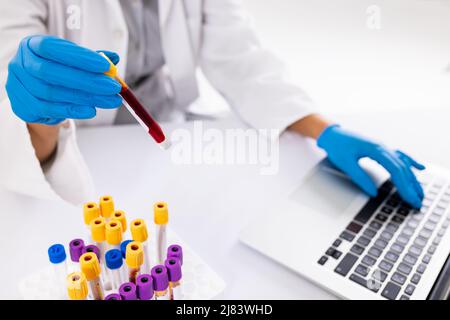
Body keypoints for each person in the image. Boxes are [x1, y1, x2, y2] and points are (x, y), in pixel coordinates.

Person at [0, 0, 424, 207]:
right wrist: (39, 118)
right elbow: (14, 120)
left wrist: (322, 128)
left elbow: (240, 56)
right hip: (79, 155)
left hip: (168, 134)